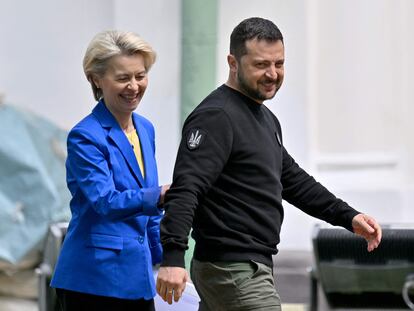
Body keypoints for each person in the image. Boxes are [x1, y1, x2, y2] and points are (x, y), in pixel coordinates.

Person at [156, 17, 382, 311]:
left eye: (279, 64)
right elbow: (187, 188)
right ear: (233, 62)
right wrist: (173, 257)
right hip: (234, 270)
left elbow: (292, 180)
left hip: (245, 267)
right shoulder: (217, 116)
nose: (273, 74)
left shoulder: (265, 118)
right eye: (262, 64)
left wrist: (348, 217)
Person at [50, 30, 169, 311]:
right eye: (122, 78)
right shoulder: (85, 136)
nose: (134, 86)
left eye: (140, 76)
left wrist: (165, 261)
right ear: (96, 79)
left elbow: (148, 208)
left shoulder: (145, 129)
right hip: (93, 279)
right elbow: (105, 200)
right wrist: (158, 196)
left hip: (137, 277)